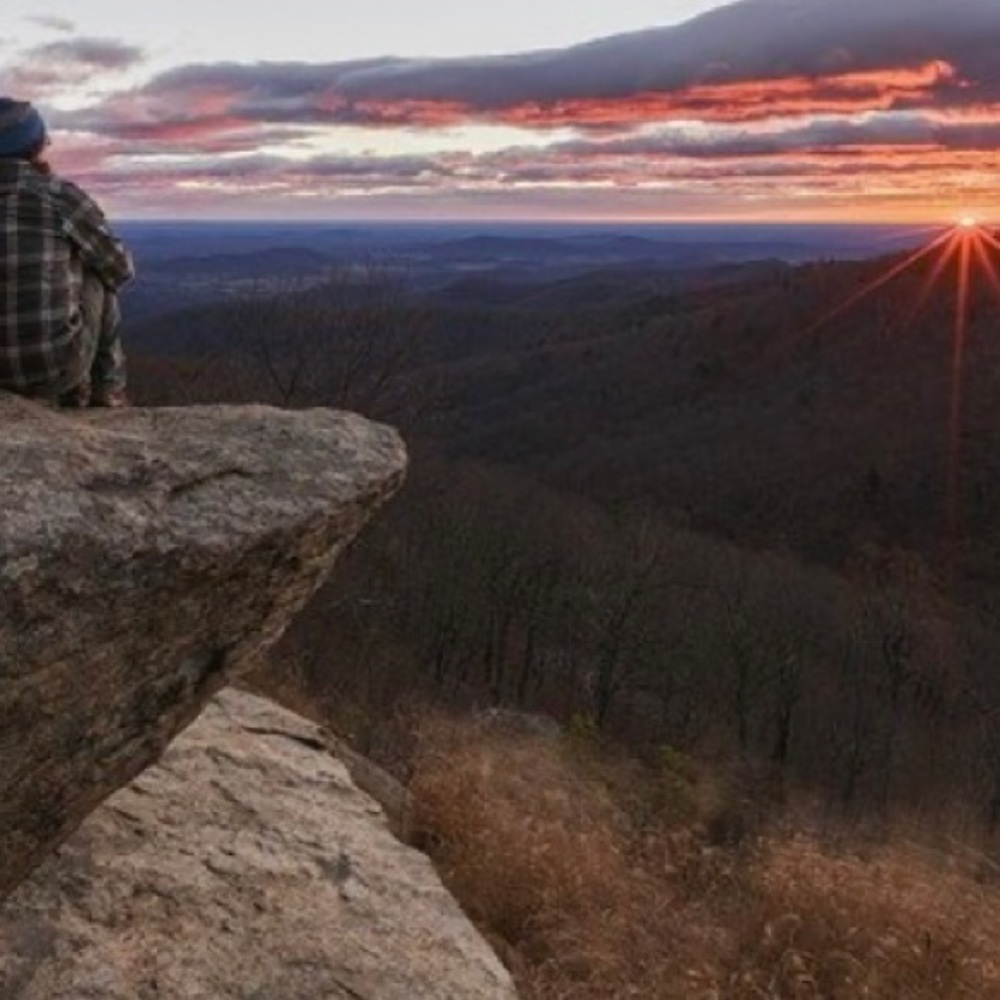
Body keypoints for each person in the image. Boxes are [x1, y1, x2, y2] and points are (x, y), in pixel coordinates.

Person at [0, 97, 134, 408]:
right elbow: (119, 269)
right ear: (35, 145)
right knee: (98, 271)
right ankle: (107, 394)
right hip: (53, 372)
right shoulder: (59, 197)